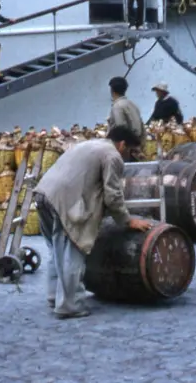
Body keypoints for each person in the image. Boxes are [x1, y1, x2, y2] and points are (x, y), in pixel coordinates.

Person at [33, 126, 152, 319]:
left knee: (57, 250)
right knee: (73, 251)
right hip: (65, 201)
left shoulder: (89, 144)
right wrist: (127, 221)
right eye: (131, 151)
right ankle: (70, 305)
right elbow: (113, 195)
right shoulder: (112, 155)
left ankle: (54, 296)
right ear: (122, 145)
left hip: (43, 194)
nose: (129, 156)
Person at [108, 76, 146, 161]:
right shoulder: (133, 105)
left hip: (124, 150)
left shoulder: (117, 107)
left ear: (112, 91)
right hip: (136, 148)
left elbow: (121, 129)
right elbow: (142, 126)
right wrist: (139, 146)